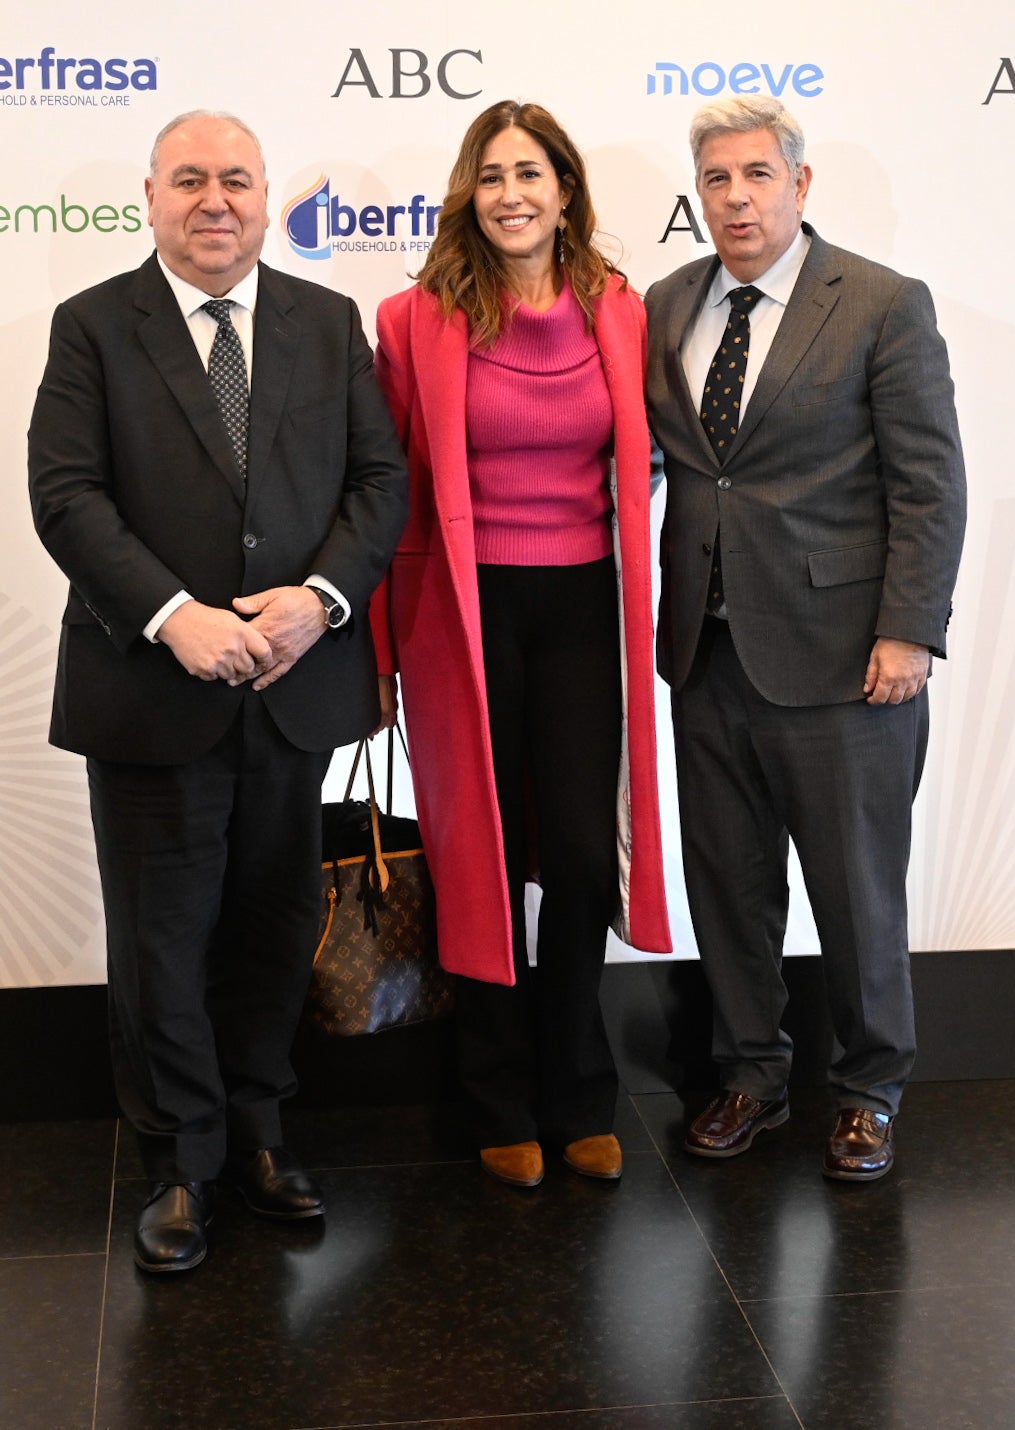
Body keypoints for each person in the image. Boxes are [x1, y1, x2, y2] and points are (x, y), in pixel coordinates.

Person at [28, 110, 409, 1270]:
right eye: (189, 180)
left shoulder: (328, 321)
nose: (215, 201)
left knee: (274, 923)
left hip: (296, 689)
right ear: (150, 197)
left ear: (264, 196)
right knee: (161, 938)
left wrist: (323, 599)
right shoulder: (94, 325)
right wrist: (173, 616)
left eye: (235, 180)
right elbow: (66, 494)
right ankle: (180, 1163)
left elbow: (380, 482)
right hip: (152, 690)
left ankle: (257, 1135)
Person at [646, 95, 967, 1182]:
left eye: (755, 176)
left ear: (800, 183)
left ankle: (870, 1088)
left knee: (856, 890)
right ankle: (749, 1072)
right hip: (705, 653)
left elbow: (930, 485)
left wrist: (909, 631)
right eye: (716, 182)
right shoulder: (666, 304)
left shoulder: (881, 302)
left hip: (845, 661)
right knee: (728, 888)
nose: (736, 198)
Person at [371, 100, 673, 1190]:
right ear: (469, 192)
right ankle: (496, 1095)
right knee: (481, 853)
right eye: (491, 174)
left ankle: (579, 1088)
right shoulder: (412, 320)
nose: (511, 193)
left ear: (565, 191)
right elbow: (397, 494)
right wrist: (385, 657)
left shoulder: (620, 310)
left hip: (585, 600)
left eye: (531, 173)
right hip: (462, 606)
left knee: (586, 857)